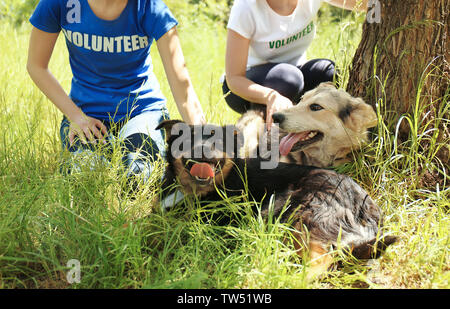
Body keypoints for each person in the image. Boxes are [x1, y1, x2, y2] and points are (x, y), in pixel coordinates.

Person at [27, 0, 206, 183]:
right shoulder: (59, 3)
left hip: (142, 111)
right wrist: (76, 116)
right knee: (87, 174)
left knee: (139, 176)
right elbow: (36, 65)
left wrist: (205, 145)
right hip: (86, 114)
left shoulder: (150, 7)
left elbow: (184, 90)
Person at [223, 0, 368, 128]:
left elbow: (365, 3)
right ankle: (263, 139)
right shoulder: (246, 7)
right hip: (246, 86)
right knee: (289, 79)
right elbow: (234, 78)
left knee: (329, 72)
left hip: (294, 76)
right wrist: (270, 96)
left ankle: (310, 135)